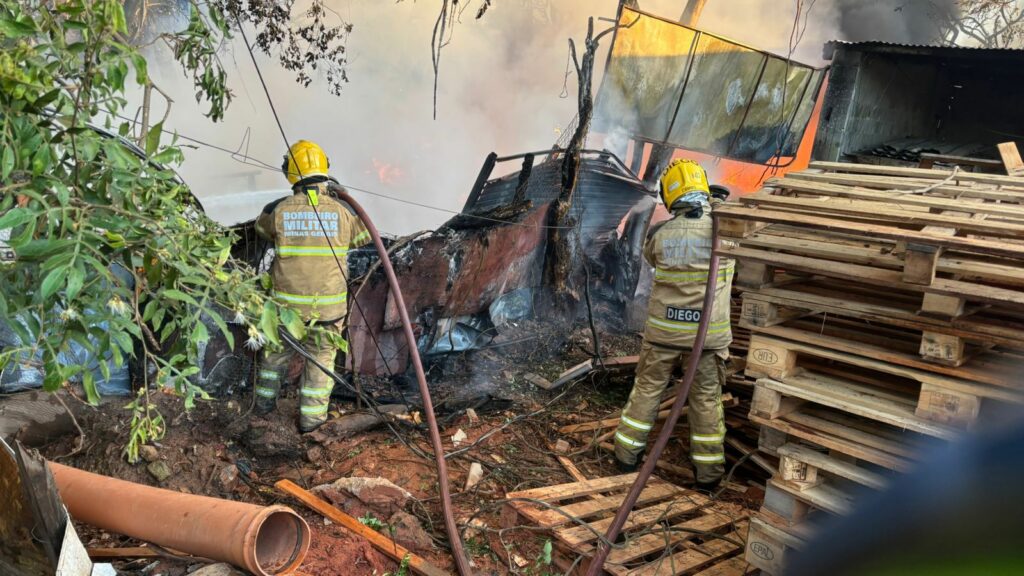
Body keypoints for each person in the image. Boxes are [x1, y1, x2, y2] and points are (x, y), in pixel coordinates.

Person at [613, 159, 734, 490]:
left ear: (671, 196)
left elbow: (651, 257)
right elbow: (742, 242)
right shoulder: (727, 231)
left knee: (647, 391)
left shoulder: (661, 235)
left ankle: (625, 457)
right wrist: (719, 206)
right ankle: (708, 477)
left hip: (663, 335)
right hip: (706, 341)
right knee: (706, 401)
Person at [254, 140, 370, 432]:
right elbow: (362, 238)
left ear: (289, 172)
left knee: (273, 358)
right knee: (321, 363)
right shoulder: (344, 210)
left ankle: (262, 409)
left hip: (285, 310)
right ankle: (311, 423)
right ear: (325, 167)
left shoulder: (276, 209)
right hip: (328, 309)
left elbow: (261, 230)